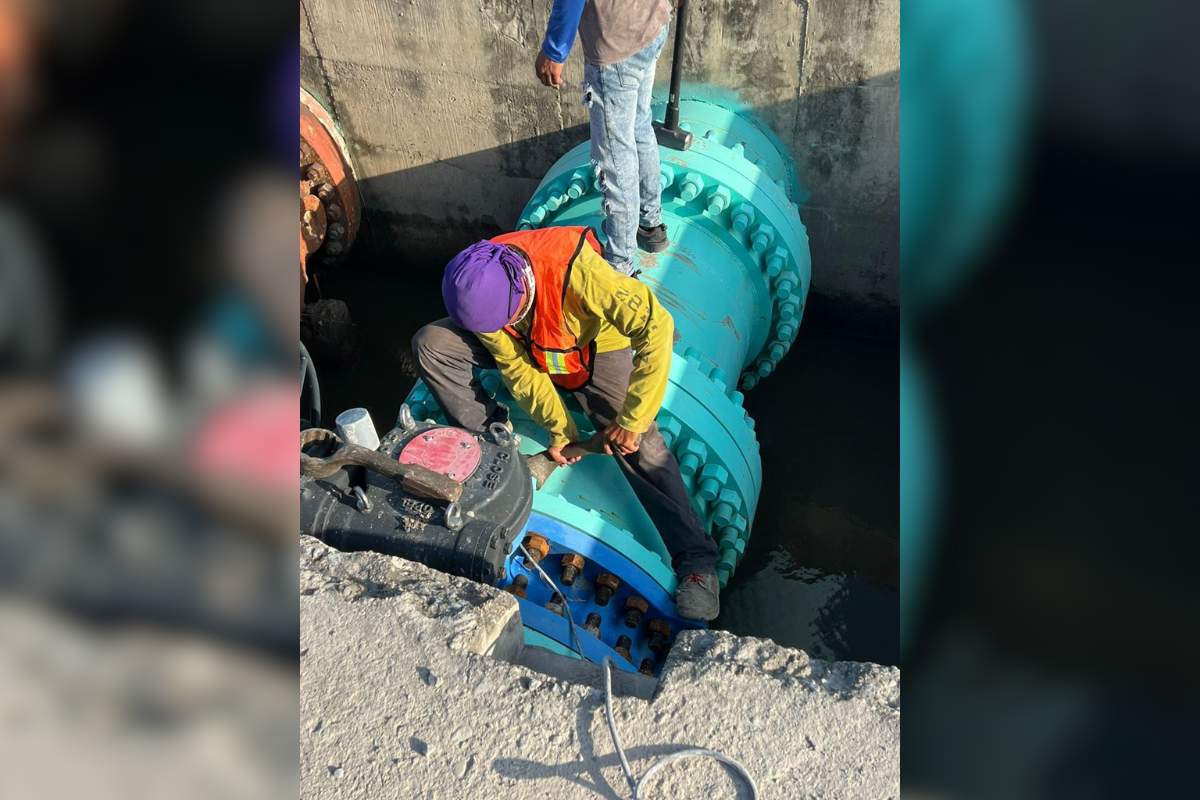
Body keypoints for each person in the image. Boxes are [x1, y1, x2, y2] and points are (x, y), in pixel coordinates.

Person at [412, 227, 720, 620]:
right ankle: (493, 445)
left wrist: (634, 419)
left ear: (521, 289)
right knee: (432, 344)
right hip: (537, 346)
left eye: (505, 318)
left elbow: (656, 328)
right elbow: (519, 368)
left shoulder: (580, 273)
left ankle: (696, 561)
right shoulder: (480, 287)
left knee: (642, 446)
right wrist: (563, 435)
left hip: (593, 348)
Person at [534, 0, 673, 275]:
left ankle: (620, 265)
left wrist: (554, 51)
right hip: (653, 21)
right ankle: (650, 223)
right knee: (639, 125)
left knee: (615, 156)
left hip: (617, 44)